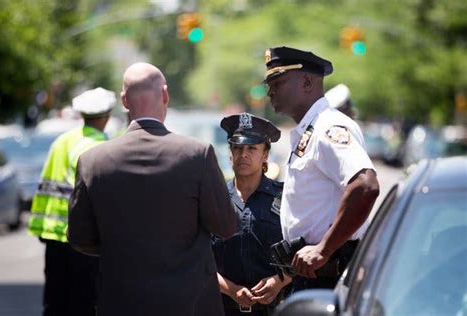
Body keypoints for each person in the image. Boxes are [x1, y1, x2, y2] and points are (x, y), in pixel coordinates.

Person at [67, 62, 238, 316]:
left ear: (124, 101)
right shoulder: (196, 155)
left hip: (122, 301)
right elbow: (226, 226)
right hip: (189, 303)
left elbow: (79, 236)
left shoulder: (93, 161)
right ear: (165, 94)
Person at [264, 46, 379, 290]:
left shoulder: (328, 128)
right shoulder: (310, 128)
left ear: (306, 82)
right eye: (269, 85)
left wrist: (324, 249)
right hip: (310, 273)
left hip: (330, 275)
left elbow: (365, 186)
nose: (269, 93)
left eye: (278, 83)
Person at [29, 87, 116, 316]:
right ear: (106, 117)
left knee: (55, 302)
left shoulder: (62, 141)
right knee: (83, 303)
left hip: (52, 235)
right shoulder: (101, 146)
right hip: (81, 239)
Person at [214, 113, 292, 315]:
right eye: (237, 148)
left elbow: (307, 250)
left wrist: (279, 281)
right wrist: (231, 290)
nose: (243, 155)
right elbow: (199, 260)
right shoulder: (214, 199)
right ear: (230, 152)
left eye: (252, 148)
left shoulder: (286, 199)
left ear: (265, 154)